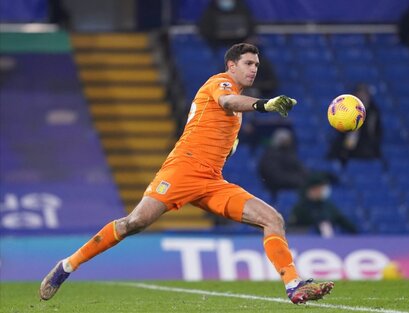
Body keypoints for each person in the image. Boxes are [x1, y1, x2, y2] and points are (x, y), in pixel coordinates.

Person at [39, 43, 334, 304]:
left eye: (256, 64)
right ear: (231, 65)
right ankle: (67, 265)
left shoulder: (237, 112)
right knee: (135, 222)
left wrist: (229, 146)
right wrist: (264, 105)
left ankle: (294, 285)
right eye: (248, 63)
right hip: (183, 170)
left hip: (212, 182)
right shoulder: (219, 84)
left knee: (273, 219)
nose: (253, 69)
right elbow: (228, 102)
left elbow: (224, 131)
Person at [327, 83, 382, 166]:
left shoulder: (373, 113)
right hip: (344, 147)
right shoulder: (346, 109)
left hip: (364, 148)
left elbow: (374, 133)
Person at [289, 174, 357, 237]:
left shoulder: (329, 206)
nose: (323, 191)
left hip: (329, 243)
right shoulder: (300, 208)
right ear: (312, 190)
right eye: (320, 188)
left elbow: (344, 222)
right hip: (308, 243)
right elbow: (292, 229)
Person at [258, 128, 309, 201]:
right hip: (277, 189)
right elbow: (275, 176)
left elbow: (301, 170)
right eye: (284, 140)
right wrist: (297, 180)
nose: (287, 142)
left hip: (295, 186)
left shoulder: (290, 154)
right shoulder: (269, 156)